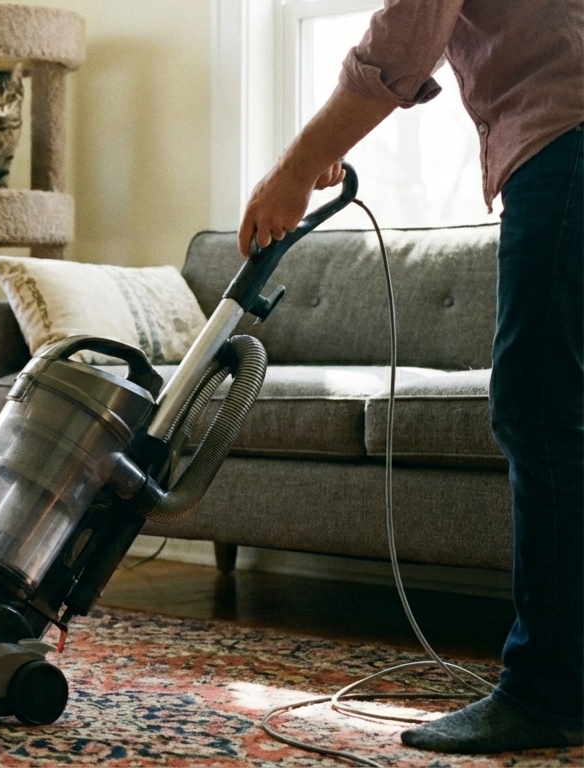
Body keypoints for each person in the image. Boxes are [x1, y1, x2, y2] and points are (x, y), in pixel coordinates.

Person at [238, 0, 584, 756]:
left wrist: (294, 169)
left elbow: (400, 45)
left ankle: (548, 694)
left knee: (540, 411)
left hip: (566, 148)